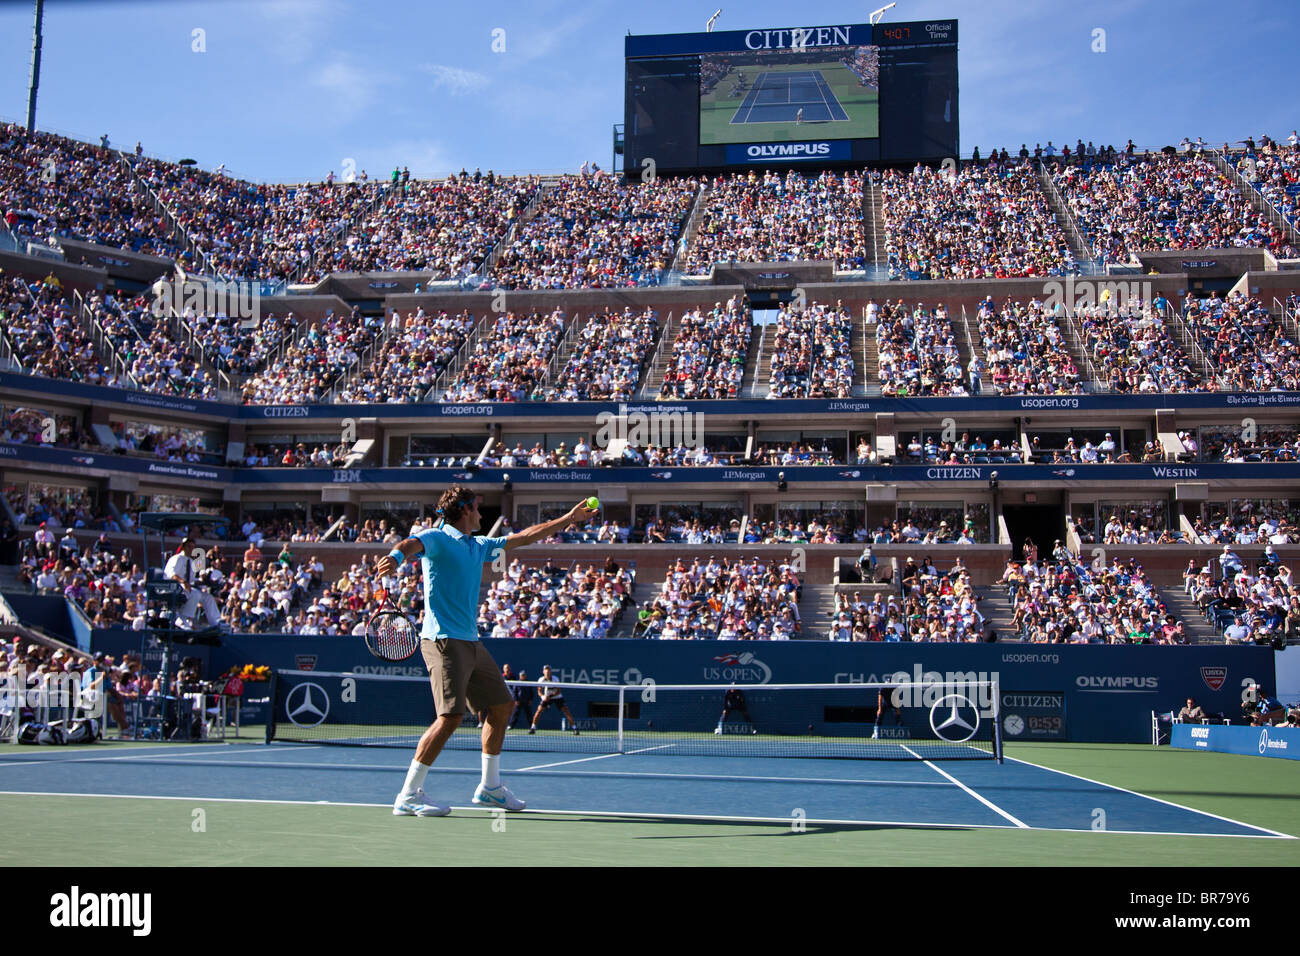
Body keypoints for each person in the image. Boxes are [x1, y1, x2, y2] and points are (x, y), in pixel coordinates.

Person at [378, 487, 597, 817]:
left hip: (471, 641)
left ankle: (490, 789)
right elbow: (410, 545)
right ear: (465, 511)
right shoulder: (437, 538)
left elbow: (523, 537)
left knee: (501, 706)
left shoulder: (477, 546)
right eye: (478, 509)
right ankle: (408, 795)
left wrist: (570, 518)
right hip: (442, 641)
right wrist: (395, 558)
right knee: (450, 717)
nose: (483, 514)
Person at [164, 536, 221, 629]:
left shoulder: (190, 561)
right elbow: (171, 574)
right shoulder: (177, 558)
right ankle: (184, 619)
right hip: (174, 586)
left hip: (186, 587)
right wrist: (183, 582)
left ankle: (216, 622)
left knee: (208, 597)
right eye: (189, 547)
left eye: (193, 547)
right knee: (195, 594)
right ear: (183, 547)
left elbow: (191, 580)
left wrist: (202, 581)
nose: (191, 549)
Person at [529, 664, 580, 735]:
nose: (547, 672)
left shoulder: (555, 679)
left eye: (548, 670)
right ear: (543, 672)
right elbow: (539, 691)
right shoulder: (541, 680)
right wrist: (543, 697)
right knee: (539, 710)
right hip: (546, 697)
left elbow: (559, 691)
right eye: (546, 670)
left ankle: (575, 728)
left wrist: (550, 696)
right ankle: (533, 728)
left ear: (551, 672)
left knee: (566, 711)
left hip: (557, 697)